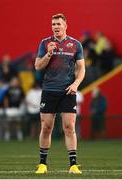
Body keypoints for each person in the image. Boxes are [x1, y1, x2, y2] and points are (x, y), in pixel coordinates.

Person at [35, 13, 85, 174]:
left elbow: (82, 68)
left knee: (69, 127)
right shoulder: (45, 43)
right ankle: (42, 164)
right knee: (46, 127)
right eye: (53, 24)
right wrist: (48, 54)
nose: (55, 26)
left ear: (65, 25)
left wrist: (76, 84)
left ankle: (73, 165)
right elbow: (38, 66)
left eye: (58, 24)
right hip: (49, 90)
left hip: (67, 91)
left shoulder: (76, 44)